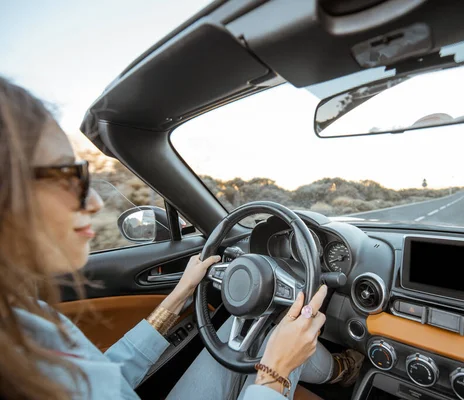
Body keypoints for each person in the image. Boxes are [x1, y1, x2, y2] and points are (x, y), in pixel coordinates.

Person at [0, 77, 363, 400]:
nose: (94, 201)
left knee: (263, 328)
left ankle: (340, 371)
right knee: (275, 335)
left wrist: (177, 297)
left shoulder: (24, 321)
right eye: (68, 175)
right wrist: (274, 374)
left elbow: (106, 377)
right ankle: (341, 372)